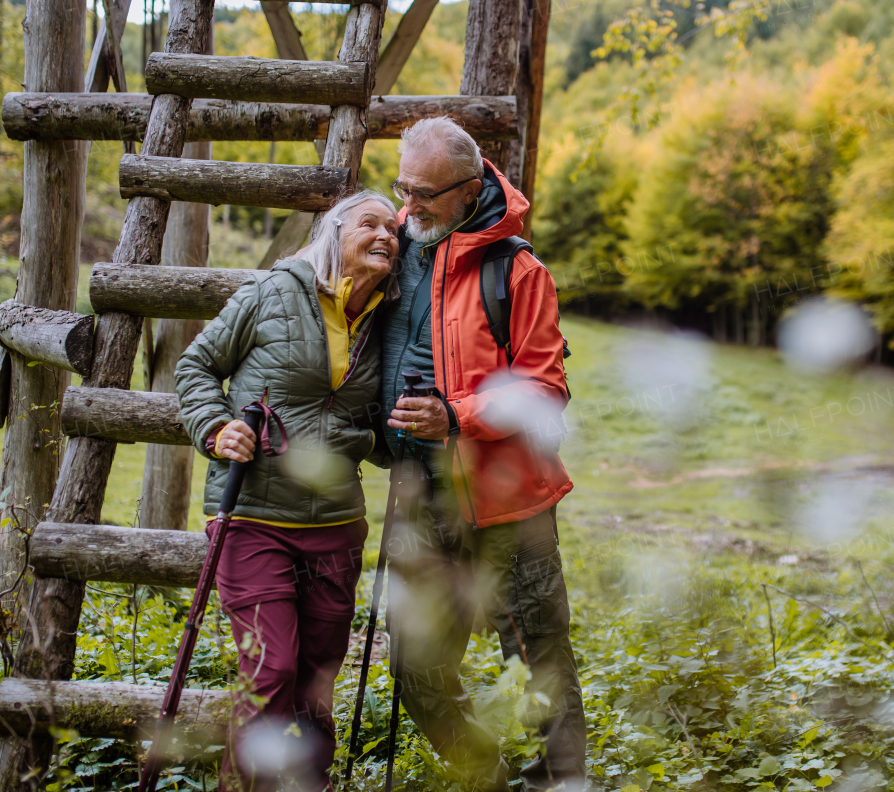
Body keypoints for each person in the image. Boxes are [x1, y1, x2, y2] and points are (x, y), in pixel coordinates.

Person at [379, 116, 586, 791]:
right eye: (402, 187)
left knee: (538, 664)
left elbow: (545, 387)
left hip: (508, 503)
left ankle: (560, 783)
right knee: (417, 672)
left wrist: (456, 416)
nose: (408, 206)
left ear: (469, 190)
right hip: (424, 499)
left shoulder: (518, 271)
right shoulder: (398, 249)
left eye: (426, 193)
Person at [175, 190, 400, 792]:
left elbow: (376, 423)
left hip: (335, 524)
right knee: (272, 669)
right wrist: (217, 428)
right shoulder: (273, 292)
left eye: (394, 229)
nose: (385, 236)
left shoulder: (388, 318)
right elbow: (195, 367)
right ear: (334, 233)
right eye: (369, 224)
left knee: (317, 679)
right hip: (253, 517)